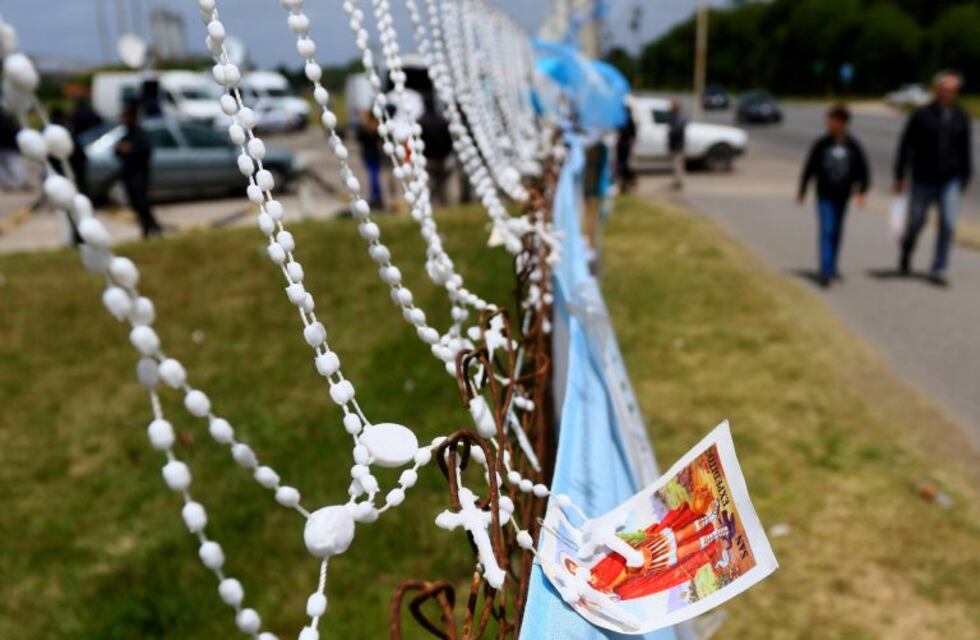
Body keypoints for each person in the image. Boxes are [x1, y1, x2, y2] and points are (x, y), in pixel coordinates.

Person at [894, 70, 972, 286]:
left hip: (949, 180)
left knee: (948, 223)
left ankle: (939, 268)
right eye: (944, 89)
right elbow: (906, 145)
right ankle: (907, 249)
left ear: (956, 92)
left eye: (952, 90)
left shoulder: (961, 117)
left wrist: (966, 175)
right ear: (936, 89)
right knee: (916, 222)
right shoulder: (922, 115)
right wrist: (900, 174)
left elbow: (964, 149)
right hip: (922, 179)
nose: (947, 93)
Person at [797, 104, 870, 287]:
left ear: (843, 122)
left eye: (833, 120)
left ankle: (833, 266)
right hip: (824, 194)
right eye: (828, 119)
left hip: (843, 195)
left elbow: (863, 170)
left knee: (837, 232)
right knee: (827, 230)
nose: (829, 123)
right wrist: (803, 189)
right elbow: (810, 167)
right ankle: (825, 271)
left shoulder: (853, 146)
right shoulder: (821, 144)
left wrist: (862, 191)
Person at [115, 104, 162, 238]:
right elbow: (118, 150)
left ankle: (152, 227)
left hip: (139, 176)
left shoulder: (139, 134)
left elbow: (145, 151)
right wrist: (123, 150)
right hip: (129, 175)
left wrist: (129, 150)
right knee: (136, 204)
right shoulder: (126, 134)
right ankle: (148, 227)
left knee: (142, 203)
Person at [419, 96, 453, 207]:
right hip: (441, 159)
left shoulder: (421, 122)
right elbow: (449, 142)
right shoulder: (443, 122)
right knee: (441, 185)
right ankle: (442, 204)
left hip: (428, 159)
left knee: (430, 184)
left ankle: (431, 204)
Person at [355, 110, 384, 210]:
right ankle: (376, 196)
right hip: (371, 155)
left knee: (373, 176)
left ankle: (376, 197)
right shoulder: (371, 128)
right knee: (373, 176)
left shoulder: (370, 128)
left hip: (371, 156)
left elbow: (359, 138)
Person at [0, 107, 30, 191]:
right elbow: (14, 131)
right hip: (9, 145)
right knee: (15, 164)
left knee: (3, 166)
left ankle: (7, 183)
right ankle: (22, 182)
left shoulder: (6, 119)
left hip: (5, 145)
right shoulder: (6, 119)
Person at [615, 108, 637, 194]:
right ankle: (625, 183)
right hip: (621, 144)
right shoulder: (621, 120)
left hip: (626, 145)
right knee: (622, 164)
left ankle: (627, 182)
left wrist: (631, 145)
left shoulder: (629, 120)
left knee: (625, 164)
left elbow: (633, 135)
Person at [668, 100, 686, 190]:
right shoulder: (674, 116)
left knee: (677, 164)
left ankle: (678, 182)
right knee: (675, 165)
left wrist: (671, 131)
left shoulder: (679, 117)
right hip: (674, 144)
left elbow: (677, 129)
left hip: (678, 145)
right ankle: (676, 181)